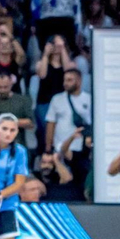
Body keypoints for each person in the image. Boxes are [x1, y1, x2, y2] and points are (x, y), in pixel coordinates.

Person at [40, 66, 92, 202]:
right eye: (65, 80)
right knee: (60, 179)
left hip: (80, 149)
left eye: (70, 80)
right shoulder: (57, 99)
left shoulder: (89, 99)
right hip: (60, 147)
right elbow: (50, 123)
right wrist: (48, 147)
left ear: (79, 81)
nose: (66, 83)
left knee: (78, 180)